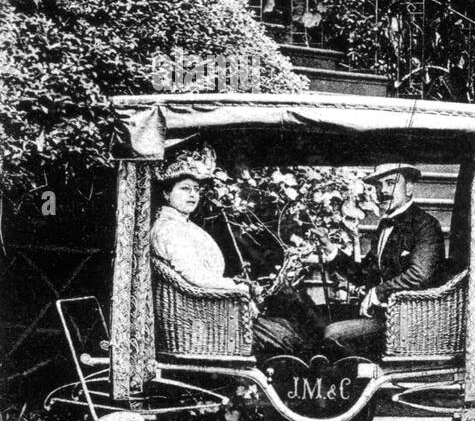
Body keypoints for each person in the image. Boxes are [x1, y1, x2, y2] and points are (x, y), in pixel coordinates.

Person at [150, 144, 305, 356]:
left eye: (196, 189)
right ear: (167, 194)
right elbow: (195, 278)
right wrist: (238, 289)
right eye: (185, 188)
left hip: (208, 309)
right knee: (286, 337)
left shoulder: (180, 224)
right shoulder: (168, 229)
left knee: (285, 328)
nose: (193, 195)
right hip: (199, 318)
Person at [321, 163, 444, 360]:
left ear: (409, 188)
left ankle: (350, 385)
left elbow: (419, 275)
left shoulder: (425, 225)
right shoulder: (385, 227)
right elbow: (364, 275)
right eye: (379, 186)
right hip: (382, 315)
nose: (383, 191)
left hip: (407, 323)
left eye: (391, 183)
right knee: (318, 316)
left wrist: (378, 292)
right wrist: (331, 249)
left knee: (332, 335)